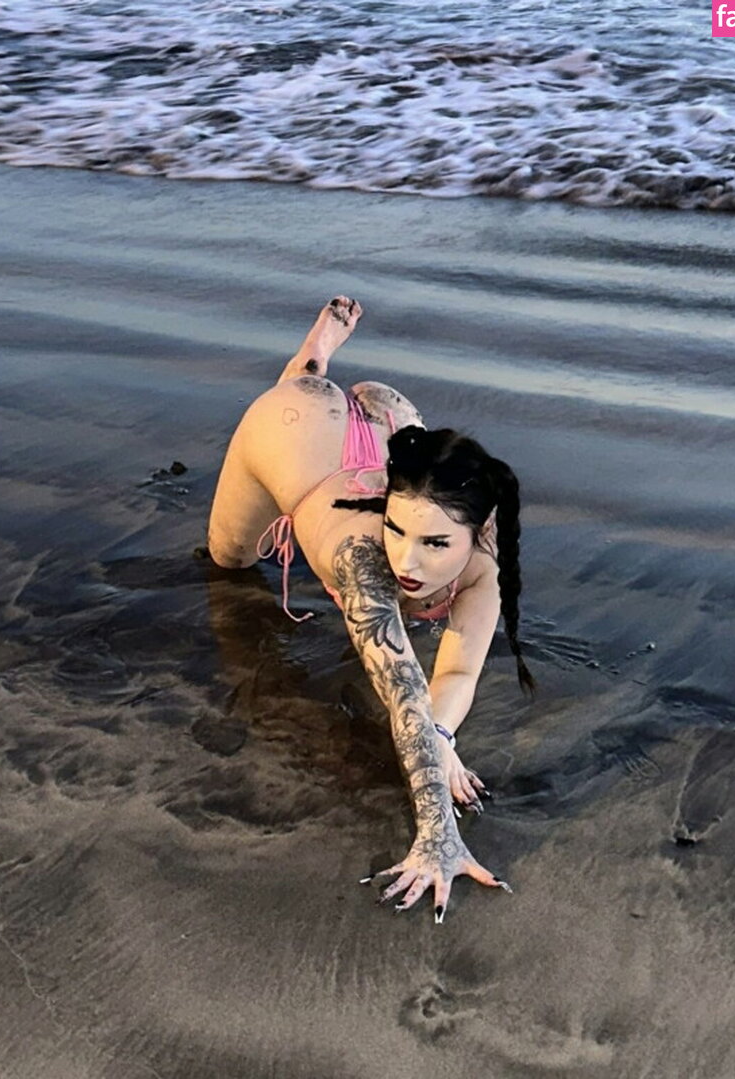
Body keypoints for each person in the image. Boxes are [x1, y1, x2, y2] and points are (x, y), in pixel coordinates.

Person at [207, 297, 533, 923]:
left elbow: (456, 673)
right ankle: (310, 363)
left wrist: (442, 739)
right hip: (286, 431)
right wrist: (437, 835)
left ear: (481, 533)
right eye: (398, 531)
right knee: (231, 560)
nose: (407, 562)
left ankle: (334, 380)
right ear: (384, 508)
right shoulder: (364, 558)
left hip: (391, 427)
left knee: (424, 486)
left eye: (436, 543)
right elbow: (405, 695)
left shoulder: (488, 564)